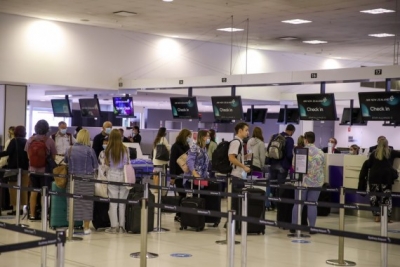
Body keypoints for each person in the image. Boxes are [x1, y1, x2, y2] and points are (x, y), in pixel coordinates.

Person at [64, 129, 98, 234]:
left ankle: (71, 227)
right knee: (86, 203)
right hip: (87, 180)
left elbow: (66, 161)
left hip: (73, 179)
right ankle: (86, 228)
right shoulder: (90, 150)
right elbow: (95, 165)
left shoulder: (69, 149)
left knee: (72, 203)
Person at [291, 131, 325, 233]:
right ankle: (312, 227)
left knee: (298, 204)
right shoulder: (320, 152)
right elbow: (322, 165)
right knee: (312, 204)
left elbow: (294, 166)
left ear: (306, 139)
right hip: (316, 182)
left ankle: (294, 226)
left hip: (303, 181)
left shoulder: (300, 151)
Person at [25, 120, 57, 220]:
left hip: (33, 170)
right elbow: (54, 156)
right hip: (45, 171)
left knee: (34, 192)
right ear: (47, 129)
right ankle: (44, 214)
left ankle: (32, 215)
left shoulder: (30, 140)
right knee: (45, 193)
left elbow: (28, 156)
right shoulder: (49, 140)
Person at [364, 138, 400, 223]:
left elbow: (369, 164)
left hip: (374, 177)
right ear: (387, 144)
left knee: (374, 197)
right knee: (386, 197)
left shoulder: (373, 153)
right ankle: (387, 218)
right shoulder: (391, 152)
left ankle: (376, 217)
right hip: (386, 177)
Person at [104, 129, 130, 233]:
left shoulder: (108, 150)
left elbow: (106, 165)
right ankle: (122, 226)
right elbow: (128, 163)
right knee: (122, 203)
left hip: (112, 176)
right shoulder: (125, 149)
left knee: (113, 203)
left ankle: (114, 226)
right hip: (124, 176)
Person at [0, 126, 29, 215]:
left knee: (13, 189)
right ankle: (21, 209)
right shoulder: (27, 141)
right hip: (25, 169)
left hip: (13, 168)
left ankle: (15, 209)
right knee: (23, 189)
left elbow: (8, 152)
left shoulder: (14, 141)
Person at [169, 129, 192, 222]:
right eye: (189, 136)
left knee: (185, 194)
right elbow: (172, 162)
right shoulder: (175, 146)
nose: (190, 138)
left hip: (186, 174)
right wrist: (173, 176)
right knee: (181, 194)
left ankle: (182, 213)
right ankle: (178, 214)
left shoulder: (187, 146)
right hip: (178, 174)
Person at [228, 122, 251, 188]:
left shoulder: (240, 142)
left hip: (239, 175)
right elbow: (231, 158)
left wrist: (244, 157)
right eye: (246, 130)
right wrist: (244, 167)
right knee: (236, 197)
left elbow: (236, 157)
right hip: (236, 175)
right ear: (240, 131)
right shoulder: (236, 142)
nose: (248, 132)